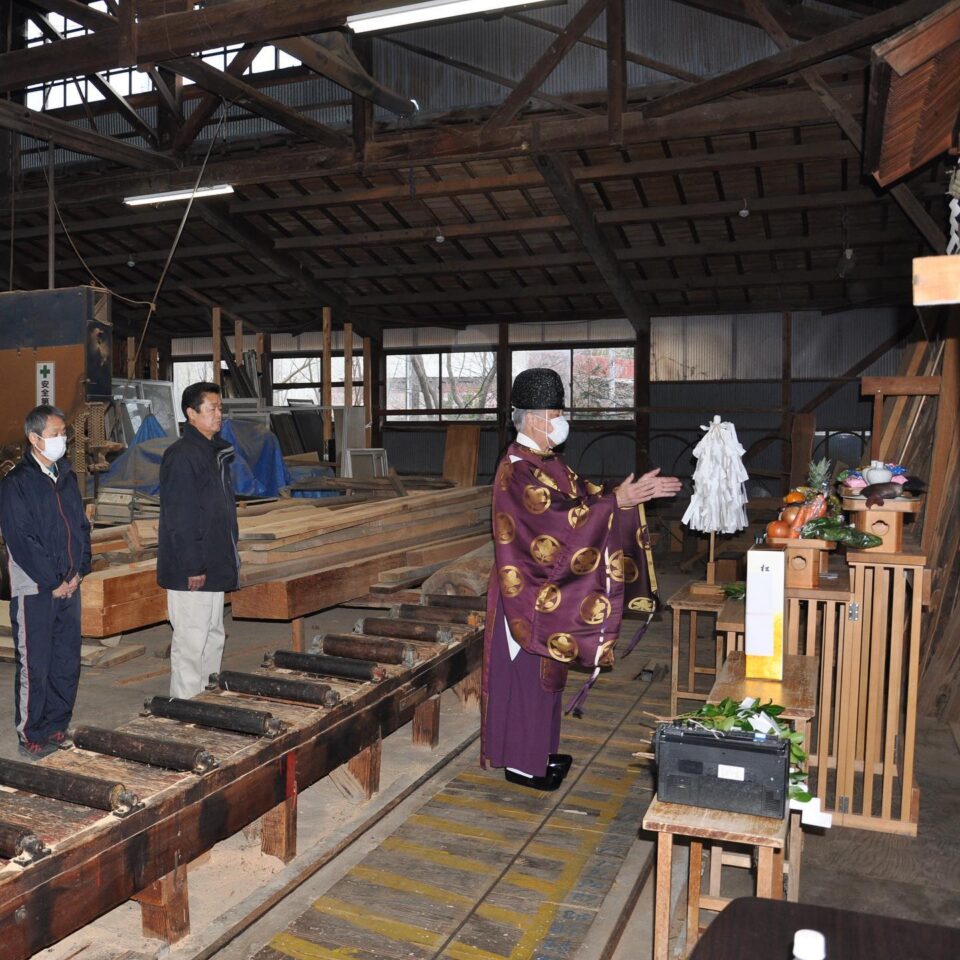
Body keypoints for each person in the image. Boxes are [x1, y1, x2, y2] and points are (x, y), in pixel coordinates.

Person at [481, 368, 681, 790]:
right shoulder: (516, 471)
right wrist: (614, 502)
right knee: (529, 679)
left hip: (541, 589)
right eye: (557, 412)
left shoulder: (546, 463)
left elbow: (582, 497)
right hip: (525, 594)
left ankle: (539, 753)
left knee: (548, 676)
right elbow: (556, 521)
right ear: (535, 420)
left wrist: (620, 495)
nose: (562, 420)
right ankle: (522, 763)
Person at [0, 405, 91, 759]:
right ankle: (31, 733)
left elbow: (81, 528)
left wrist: (79, 571)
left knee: (66, 661)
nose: (61, 440)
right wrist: (53, 580)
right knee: (36, 664)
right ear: (34, 438)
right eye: (54, 434)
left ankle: (56, 724)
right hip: (36, 589)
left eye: (63, 433)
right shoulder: (16, 483)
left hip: (70, 586)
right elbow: (21, 539)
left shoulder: (66, 477)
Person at [157, 382, 240, 699]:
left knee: (213, 634)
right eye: (212, 409)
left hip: (213, 564)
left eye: (220, 408)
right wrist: (192, 566)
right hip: (191, 570)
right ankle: (185, 707)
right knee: (191, 640)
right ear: (191, 413)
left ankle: (206, 700)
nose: (219, 414)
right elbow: (180, 518)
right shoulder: (182, 456)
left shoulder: (214, 451)